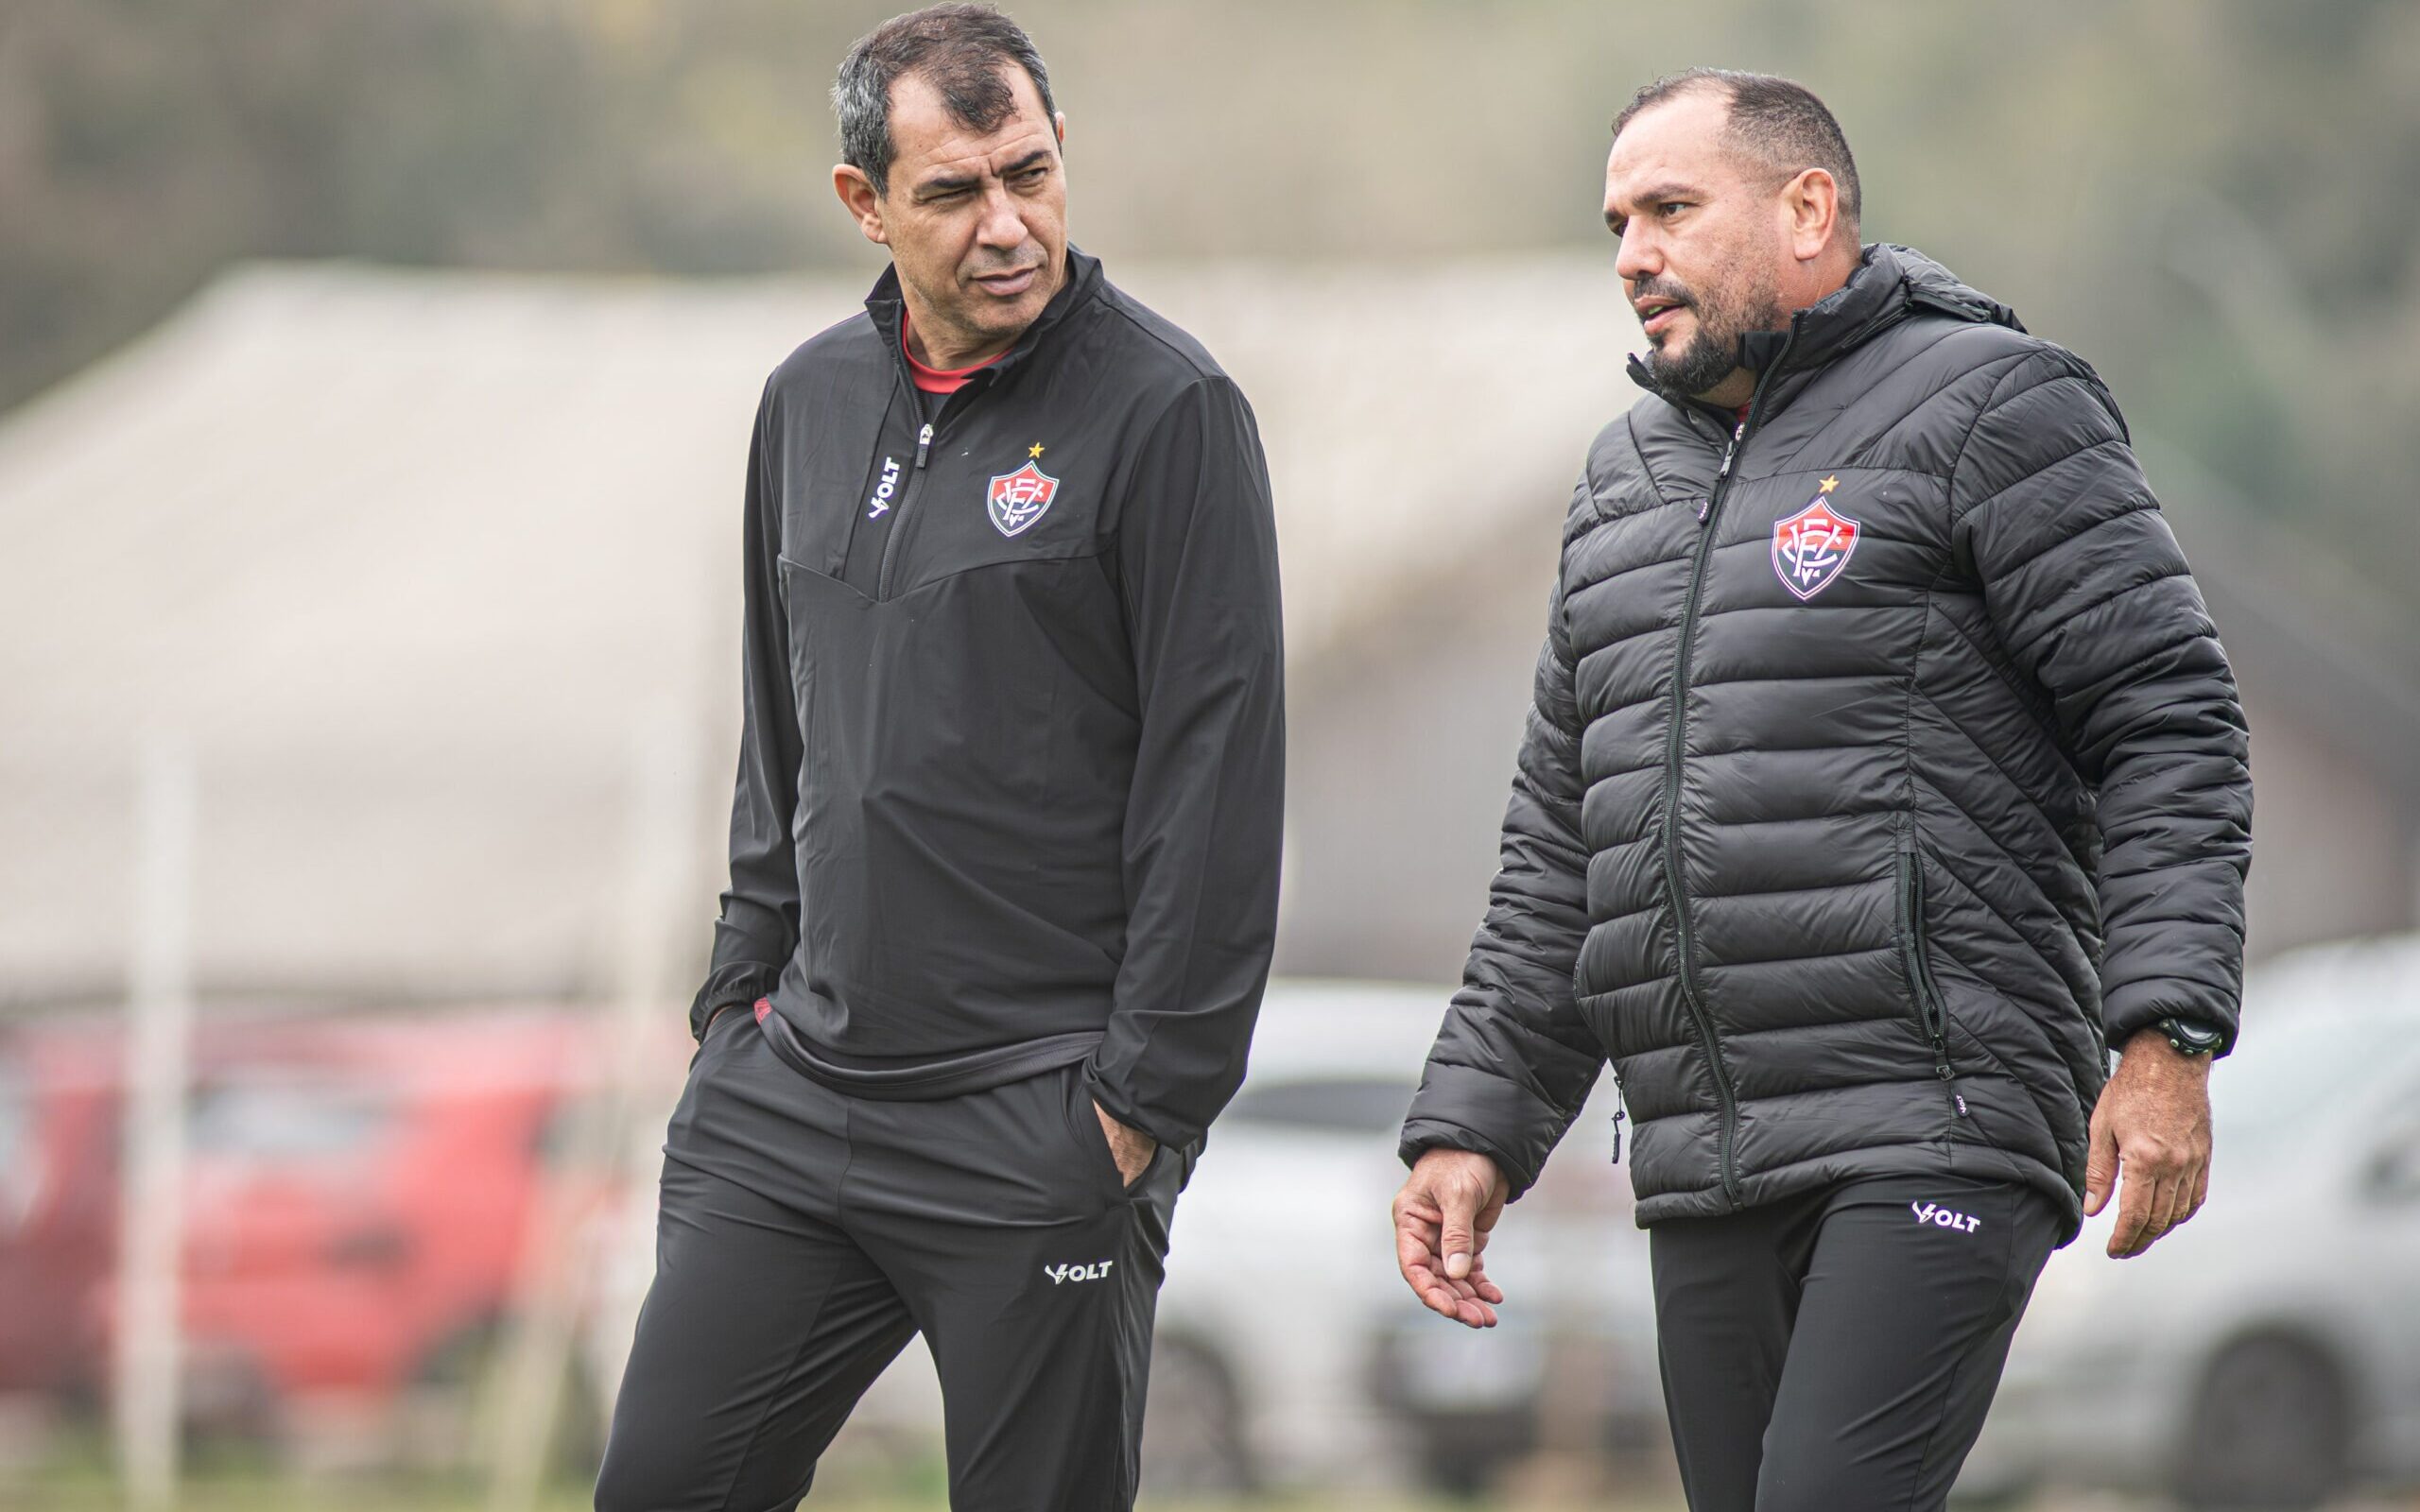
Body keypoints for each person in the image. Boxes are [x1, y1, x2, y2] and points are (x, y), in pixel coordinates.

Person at [1390, 69, 2251, 1512]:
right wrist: (1474, 1124)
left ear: (1808, 210)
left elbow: (2168, 718)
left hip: (1939, 1118)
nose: (1631, 256)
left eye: (1670, 209)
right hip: (1706, 1155)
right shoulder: (1621, 489)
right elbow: (1563, 851)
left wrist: (2165, 1038)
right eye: (1616, 222)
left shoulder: (1994, 405)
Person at [593, 8, 1285, 1508]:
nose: (1008, 225)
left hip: (1039, 1117)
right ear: (865, 204)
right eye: (955, 192)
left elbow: (1217, 788)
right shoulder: (809, 402)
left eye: (1029, 174)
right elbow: (783, 733)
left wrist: (1135, 1109)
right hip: (794, 1100)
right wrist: (735, 1012)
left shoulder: (1171, 413)